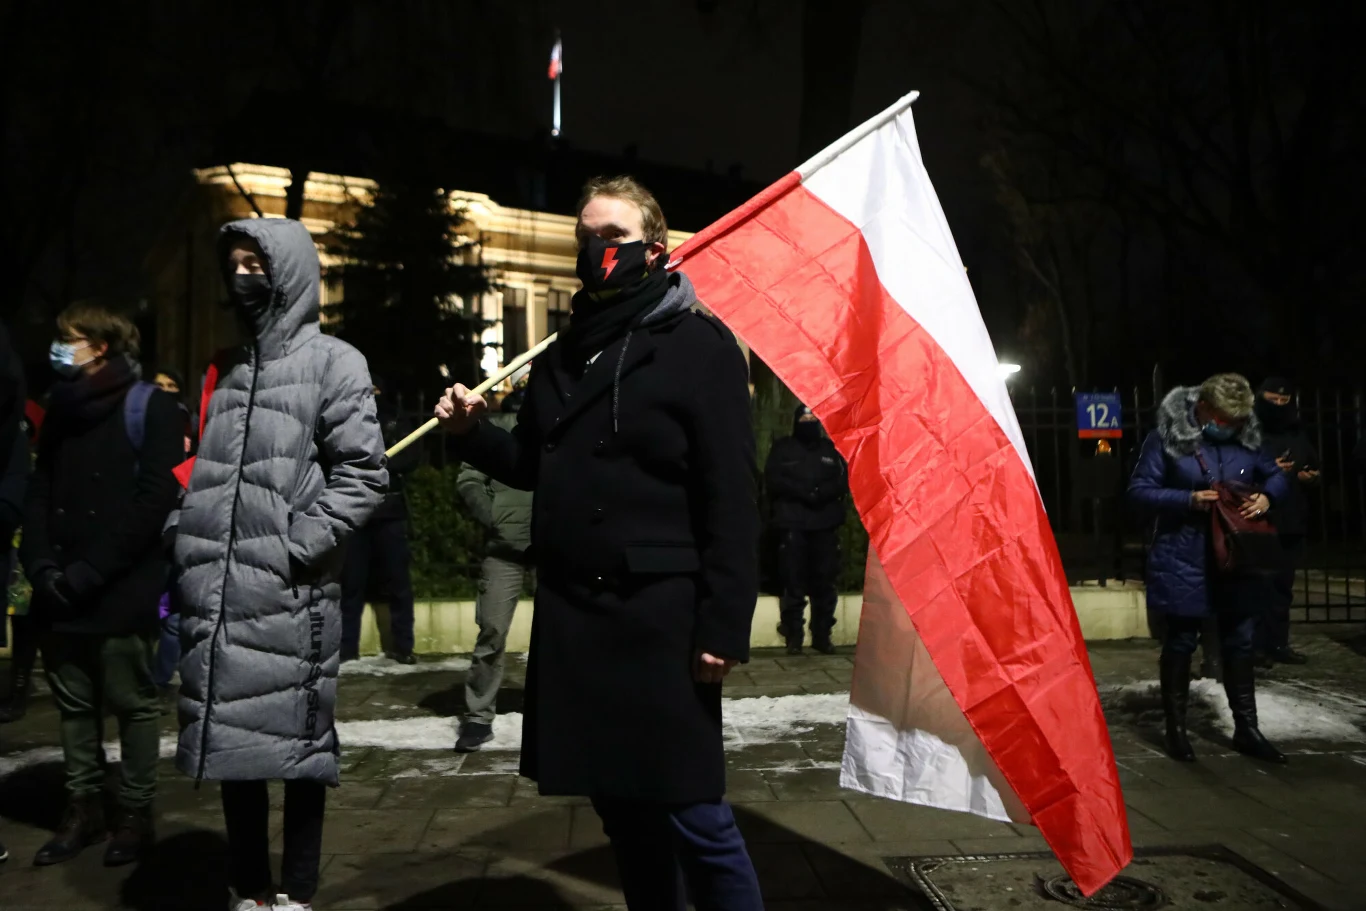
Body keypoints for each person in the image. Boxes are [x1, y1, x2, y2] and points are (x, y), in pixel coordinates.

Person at [435, 175, 763, 910]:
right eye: (585, 237)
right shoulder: (561, 351)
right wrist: (471, 434)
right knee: (623, 813)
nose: (596, 249)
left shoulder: (696, 344)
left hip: (661, 623)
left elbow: (733, 497)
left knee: (693, 812)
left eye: (612, 236)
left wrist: (724, 624)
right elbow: (535, 461)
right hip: (577, 621)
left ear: (656, 246)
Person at [171, 218, 386, 911]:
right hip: (222, 590)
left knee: (297, 748)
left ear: (288, 271)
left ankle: (295, 890)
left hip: (292, 594)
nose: (242, 277)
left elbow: (363, 475)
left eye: (254, 263)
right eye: (231, 264)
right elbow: (207, 471)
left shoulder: (335, 362)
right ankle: (250, 887)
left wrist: (294, 547)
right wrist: (186, 536)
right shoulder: (227, 368)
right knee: (234, 748)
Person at [19, 303, 182, 866]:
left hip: (118, 587)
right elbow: (39, 489)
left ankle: (135, 813)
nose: (59, 349)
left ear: (102, 346)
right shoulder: (61, 410)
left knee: (132, 703)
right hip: (60, 588)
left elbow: (154, 499)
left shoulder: (152, 407)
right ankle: (83, 808)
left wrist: (92, 571)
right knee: (73, 705)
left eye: (70, 339)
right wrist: (41, 567)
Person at [1128, 373, 1290, 765]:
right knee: (1181, 641)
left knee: (1240, 640)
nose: (1229, 427)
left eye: (1236, 422)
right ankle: (1177, 730)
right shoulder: (1165, 438)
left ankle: (1247, 729)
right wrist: (1187, 499)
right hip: (1183, 554)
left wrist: (1269, 497)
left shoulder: (1248, 439)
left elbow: (1273, 475)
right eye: (1223, 419)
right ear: (1202, 408)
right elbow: (1139, 491)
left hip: (1236, 555)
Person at [454, 386, 535, 751]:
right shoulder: (498, 429)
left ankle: (563, 708)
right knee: (491, 631)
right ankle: (477, 716)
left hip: (555, 543)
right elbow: (469, 479)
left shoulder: (558, 428)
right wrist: (493, 518)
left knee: (566, 632)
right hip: (504, 547)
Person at [339, 376, 418, 664]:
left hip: (389, 511)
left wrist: (383, 464)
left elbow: (411, 454)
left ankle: (403, 646)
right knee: (351, 584)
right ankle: (347, 649)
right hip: (358, 511)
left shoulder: (394, 418)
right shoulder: (348, 417)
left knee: (397, 583)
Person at [765, 404, 848, 655]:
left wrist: (819, 493)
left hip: (824, 527)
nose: (808, 422)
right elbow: (774, 480)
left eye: (813, 418)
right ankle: (794, 635)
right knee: (793, 583)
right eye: (804, 417)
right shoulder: (783, 449)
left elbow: (841, 481)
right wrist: (803, 493)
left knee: (825, 583)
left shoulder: (829, 451)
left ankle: (822, 635)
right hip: (792, 526)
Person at [1253, 377, 1317, 667]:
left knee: (1282, 585)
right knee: (1258, 585)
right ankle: (1255, 647)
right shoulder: (1249, 428)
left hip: (1292, 515)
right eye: (1273, 400)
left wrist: (1308, 473)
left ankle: (1278, 642)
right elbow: (1233, 468)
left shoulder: (1295, 429)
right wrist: (1266, 469)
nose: (1279, 405)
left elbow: (1311, 459)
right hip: (1260, 517)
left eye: (1284, 401)